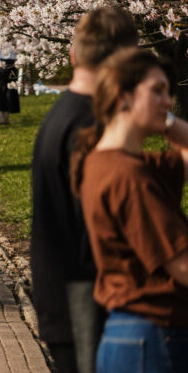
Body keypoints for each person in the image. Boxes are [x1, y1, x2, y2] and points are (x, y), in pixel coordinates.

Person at [31, 6, 139, 373]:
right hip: (86, 303)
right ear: (123, 58)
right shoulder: (91, 125)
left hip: (66, 297)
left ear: (74, 54)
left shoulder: (64, 113)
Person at [71, 48, 188, 373]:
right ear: (123, 95)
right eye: (157, 91)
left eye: (169, 91)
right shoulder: (127, 175)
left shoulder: (109, 163)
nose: (168, 101)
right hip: (154, 337)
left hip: (138, 338)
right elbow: (182, 266)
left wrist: (162, 117)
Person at [0, 50, 20, 125]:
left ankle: (0, 116)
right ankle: (5, 116)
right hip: (12, 59)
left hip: (1, 58)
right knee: (9, 87)